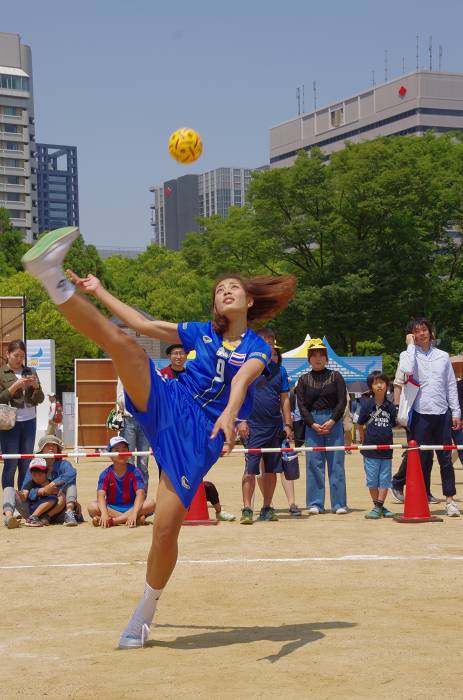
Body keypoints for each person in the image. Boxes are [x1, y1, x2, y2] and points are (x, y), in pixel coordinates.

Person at [22, 225, 295, 649]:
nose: (225, 291)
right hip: (171, 400)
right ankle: (52, 276)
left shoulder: (258, 347)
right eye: (219, 288)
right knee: (127, 345)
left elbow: (242, 380)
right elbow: (143, 322)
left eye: (233, 287)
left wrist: (227, 415)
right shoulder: (199, 332)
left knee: (165, 530)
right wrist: (99, 290)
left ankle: (144, 613)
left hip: (200, 434)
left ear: (249, 299)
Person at [399, 317, 461, 517]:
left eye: (424, 329)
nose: (421, 334)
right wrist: (410, 346)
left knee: (445, 459)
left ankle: (450, 500)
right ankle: (422, 497)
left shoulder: (443, 356)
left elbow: (451, 385)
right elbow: (407, 371)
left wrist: (456, 412)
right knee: (421, 458)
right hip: (419, 413)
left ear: (430, 332)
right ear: (412, 335)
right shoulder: (408, 355)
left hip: (443, 413)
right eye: (416, 331)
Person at [237, 330, 294, 524]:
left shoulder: (280, 370)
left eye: (270, 342)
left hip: (274, 425)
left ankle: (267, 507)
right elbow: (238, 395)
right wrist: (241, 421)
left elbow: (285, 400)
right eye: (264, 342)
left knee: (271, 470)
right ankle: (246, 508)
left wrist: (287, 424)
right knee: (250, 469)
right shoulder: (247, 368)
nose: (268, 345)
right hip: (252, 426)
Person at [296, 338, 348, 514]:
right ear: (308, 359)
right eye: (314, 355)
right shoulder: (303, 380)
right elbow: (301, 405)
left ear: (327, 358)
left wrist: (333, 420)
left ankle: (339, 504)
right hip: (313, 424)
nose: (318, 358)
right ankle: (315, 503)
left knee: (336, 464)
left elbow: (342, 401)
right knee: (314, 464)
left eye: (321, 355)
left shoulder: (336, 376)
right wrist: (312, 423)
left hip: (334, 421)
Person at [0, 339, 44, 529]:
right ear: (7, 354)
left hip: (30, 421)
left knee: (26, 463)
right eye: (16, 356)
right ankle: (9, 505)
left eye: (22, 357)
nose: (19, 360)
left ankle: (21, 503)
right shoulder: (2, 372)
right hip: (10, 423)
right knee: (11, 463)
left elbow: (40, 399)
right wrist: (15, 387)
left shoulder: (31, 372)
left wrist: (35, 388)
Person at [88, 436, 155, 528]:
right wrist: (104, 513)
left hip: (132, 507)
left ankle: (114, 521)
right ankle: (131, 519)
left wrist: (134, 512)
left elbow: (140, 494)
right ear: (110, 455)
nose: (121, 452)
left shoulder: (135, 471)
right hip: (112, 508)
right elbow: (100, 495)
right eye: (117, 449)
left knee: (151, 503)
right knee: (92, 507)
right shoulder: (105, 473)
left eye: (124, 449)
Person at [356, 371, 396, 519]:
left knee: (385, 479)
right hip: (370, 449)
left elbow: (393, 423)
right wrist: (363, 439)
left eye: (382, 382)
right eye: (375, 383)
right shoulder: (367, 405)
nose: (379, 385)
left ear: (387, 385)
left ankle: (378, 507)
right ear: (371, 387)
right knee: (372, 479)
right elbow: (360, 424)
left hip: (387, 449)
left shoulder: (390, 406)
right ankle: (379, 506)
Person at [16, 434, 81, 526]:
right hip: (36, 506)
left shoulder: (64, 464)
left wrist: (52, 484)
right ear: (42, 449)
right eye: (47, 445)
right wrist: (41, 491)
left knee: (70, 485)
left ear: (58, 449)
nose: (51, 447)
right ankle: (30, 517)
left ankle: (69, 512)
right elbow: (26, 491)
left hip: (59, 508)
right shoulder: (34, 465)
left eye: (54, 445)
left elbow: (72, 473)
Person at [117, 377, 151, 488]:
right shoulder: (123, 373)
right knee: (128, 460)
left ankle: (143, 495)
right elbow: (120, 398)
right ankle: (130, 495)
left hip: (145, 420)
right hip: (128, 420)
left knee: (143, 463)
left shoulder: (149, 371)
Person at [17, 457, 59, 527]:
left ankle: (37, 518)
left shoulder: (51, 483)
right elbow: (24, 495)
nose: (37, 478)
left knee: (55, 498)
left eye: (40, 475)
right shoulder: (30, 483)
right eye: (34, 475)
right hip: (34, 508)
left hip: (49, 511)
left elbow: (60, 494)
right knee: (52, 498)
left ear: (46, 473)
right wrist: (20, 495)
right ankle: (33, 517)